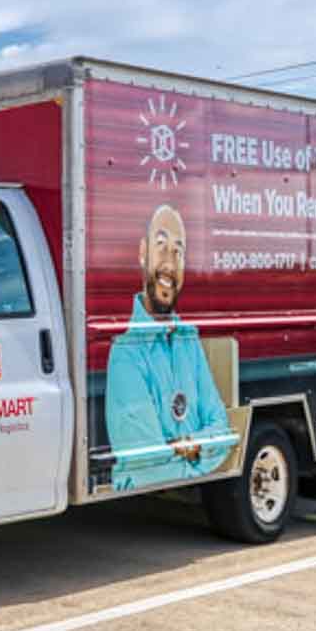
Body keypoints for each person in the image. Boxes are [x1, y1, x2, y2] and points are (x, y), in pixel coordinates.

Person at [105, 204, 236, 491]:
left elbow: (222, 429)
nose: (170, 260)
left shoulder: (189, 340)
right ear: (143, 252)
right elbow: (150, 464)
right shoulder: (126, 354)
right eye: (161, 245)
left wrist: (185, 448)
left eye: (179, 251)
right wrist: (201, 453)